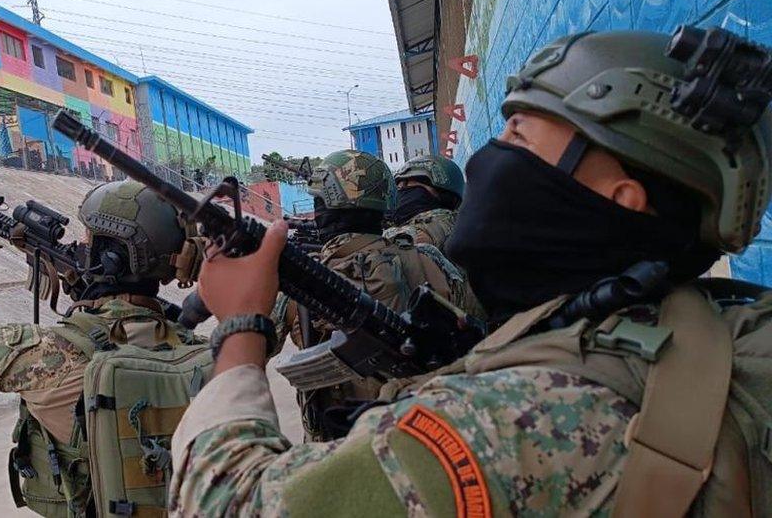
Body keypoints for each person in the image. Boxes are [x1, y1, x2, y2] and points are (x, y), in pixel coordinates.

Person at [168, 29, 772, 515]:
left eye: (518, 135)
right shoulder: (732, 324)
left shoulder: (510, 418)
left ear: (621, 196)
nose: (492, 158)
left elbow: (224, 499)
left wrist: (241, 328)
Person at [0, 180, 196, 515]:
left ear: (110, 258)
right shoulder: (201, 351)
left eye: (88, 239)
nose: (82, 246)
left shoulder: (53, 355)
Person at [272, 149, 472, 441]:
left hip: (337, 452)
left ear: (325, 205)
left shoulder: (302, 280)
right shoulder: (429, 261)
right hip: (429, 433)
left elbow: (245, 348)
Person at [385, 154, 483, 316]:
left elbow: (406, 242)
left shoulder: (443, 221)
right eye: (399, 184)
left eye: (408, 182)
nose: (401, 189)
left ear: (439, 190)